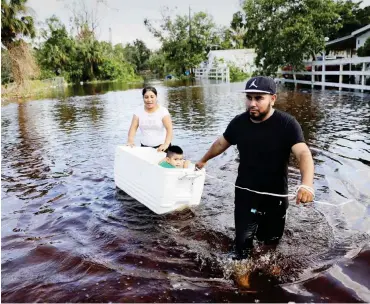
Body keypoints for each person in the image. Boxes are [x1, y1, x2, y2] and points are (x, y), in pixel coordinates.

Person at [195, 76, 315, 259]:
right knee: (242, 244)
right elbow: (221, 143)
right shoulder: (239, 123)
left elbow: (303, 154)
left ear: (272, 99)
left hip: (276, 196)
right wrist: (203, 160)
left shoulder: (287, 124)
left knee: (269, 245)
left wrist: (306, 184)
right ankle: (243, 281)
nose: (253, 103)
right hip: (246, 194)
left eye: (259, 98)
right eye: (249, 97)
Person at [127, 86, 173, 152]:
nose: (149, 100)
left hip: (162, 148)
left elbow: (169, 129)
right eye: (146, 97)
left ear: (156, 97)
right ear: (143, 98)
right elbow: (133, 128)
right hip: (144, 148)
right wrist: (130, 140)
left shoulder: (163, 111)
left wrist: (166, 144)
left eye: (152, 97)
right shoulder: (138, 110)